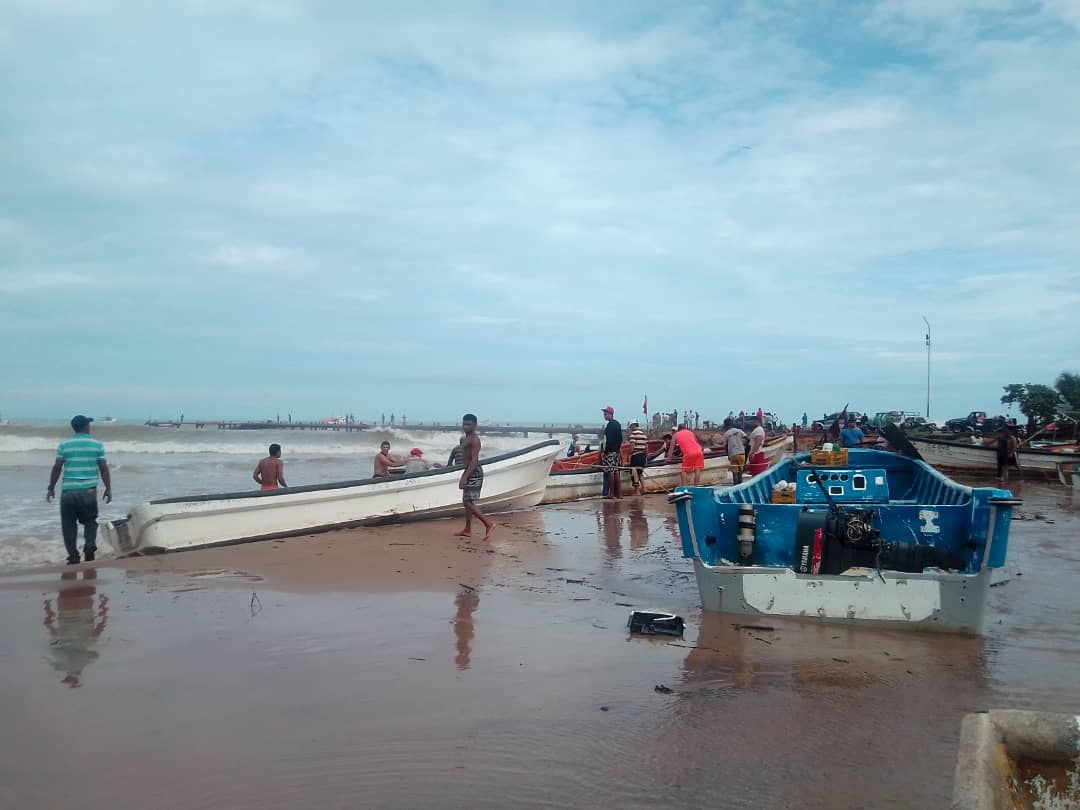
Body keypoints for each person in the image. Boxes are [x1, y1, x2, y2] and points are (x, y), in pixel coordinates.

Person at [47, 415, 112, 565]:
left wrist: (51, 488)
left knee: (68, 525)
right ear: (86, 426)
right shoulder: (97, 445)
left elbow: (57, 468)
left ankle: (73, 557)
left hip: (68, 492)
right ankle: (89, 546)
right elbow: (104, 469)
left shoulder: (64, 445)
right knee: (90, 521)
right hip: (88, 491)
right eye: (89, 424)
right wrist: (108, 488)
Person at [455, 414, 493, 539]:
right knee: (467, 502)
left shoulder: (474, 439)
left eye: (468, 424)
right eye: (464, 424)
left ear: (475, 425)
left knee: (467, 501)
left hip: (474, 471)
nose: (465, 427)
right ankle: (467, 529)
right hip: (469, 470)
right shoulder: (466, 438)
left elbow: (474, 460)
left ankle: (488, 524)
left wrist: (465, 477)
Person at [600, 406, 623, 500]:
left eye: (605, 414)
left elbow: (607, 441)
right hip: (616, 451)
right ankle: (619, 494)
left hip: (610, 452)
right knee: (616, 472)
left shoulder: (610, 425)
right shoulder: (618, 424)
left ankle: (612, 494)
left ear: (610, 414)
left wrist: (605, 452)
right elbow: (620, 439)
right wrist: (617, 449)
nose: (604, 416)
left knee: (610, 472)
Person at [723, 418, 747, 484]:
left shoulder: (726, 434)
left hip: (733, 454)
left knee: (734, 472)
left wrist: (728, 455)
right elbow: (747, 438)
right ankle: (741, 484)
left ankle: (735, 485)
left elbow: (725, 446)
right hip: (742, 452)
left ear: (726, 426)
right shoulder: (739, 431)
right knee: (740, 471)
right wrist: (744, 445)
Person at [627, 420, 648, 495]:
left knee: (634, 473)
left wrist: (629, 454)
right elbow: (646, 447)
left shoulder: (633, 435)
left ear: (633, 425)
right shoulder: (643, 434)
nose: (630, 428)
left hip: (635, 456)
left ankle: (637, 491)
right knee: (640, 473)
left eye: (630, 426)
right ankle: (644, 488)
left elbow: (632, 446)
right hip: (642, 456)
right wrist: (646, 456)